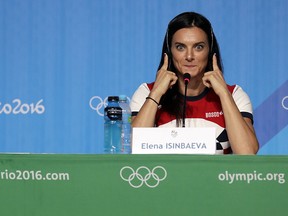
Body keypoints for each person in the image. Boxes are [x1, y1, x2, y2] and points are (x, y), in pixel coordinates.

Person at [130, 12, 259, 154]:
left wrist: (224, 94)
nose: (189, 56)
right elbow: (132, 150)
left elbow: (247, 153)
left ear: (210, 51)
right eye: (180, 47)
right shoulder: (147, 92)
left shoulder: (234, 95)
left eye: (198, 47)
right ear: (169, 51)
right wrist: (156, 93)